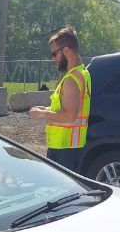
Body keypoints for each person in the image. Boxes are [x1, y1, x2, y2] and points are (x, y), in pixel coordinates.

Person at [28, 26, 91, 172]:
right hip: (69, 147)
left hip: (64, 149)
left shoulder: (71, 80)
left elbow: (69, 115)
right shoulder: (83, 73)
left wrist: (42, 114)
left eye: (54, 54)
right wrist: (46, 109)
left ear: (67, 51)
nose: (53, 59)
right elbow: (67, 109)